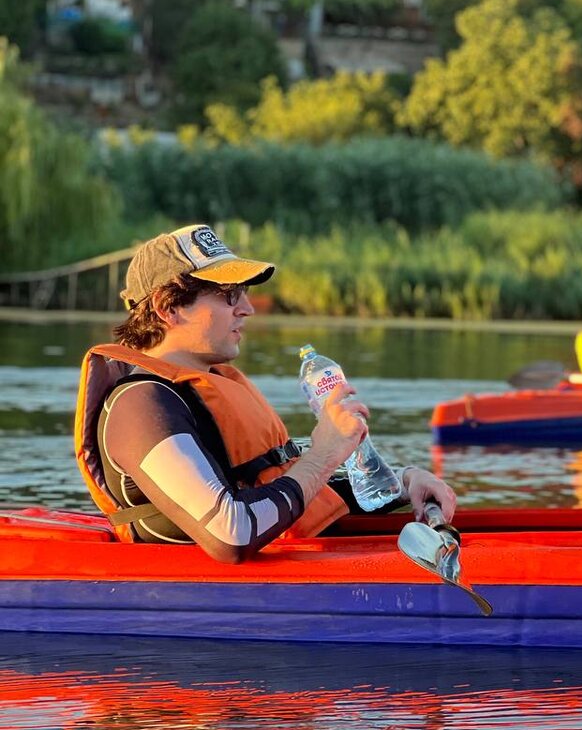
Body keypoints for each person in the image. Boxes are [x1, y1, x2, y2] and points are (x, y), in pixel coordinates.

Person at [74, 224, 456, 561]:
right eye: (228, 294)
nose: (247, 308)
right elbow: (232, 533)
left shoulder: (197, 391)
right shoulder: (140, 405)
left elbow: (275, 492)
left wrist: (401, 485)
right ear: (168, 308)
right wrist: (324, 454)